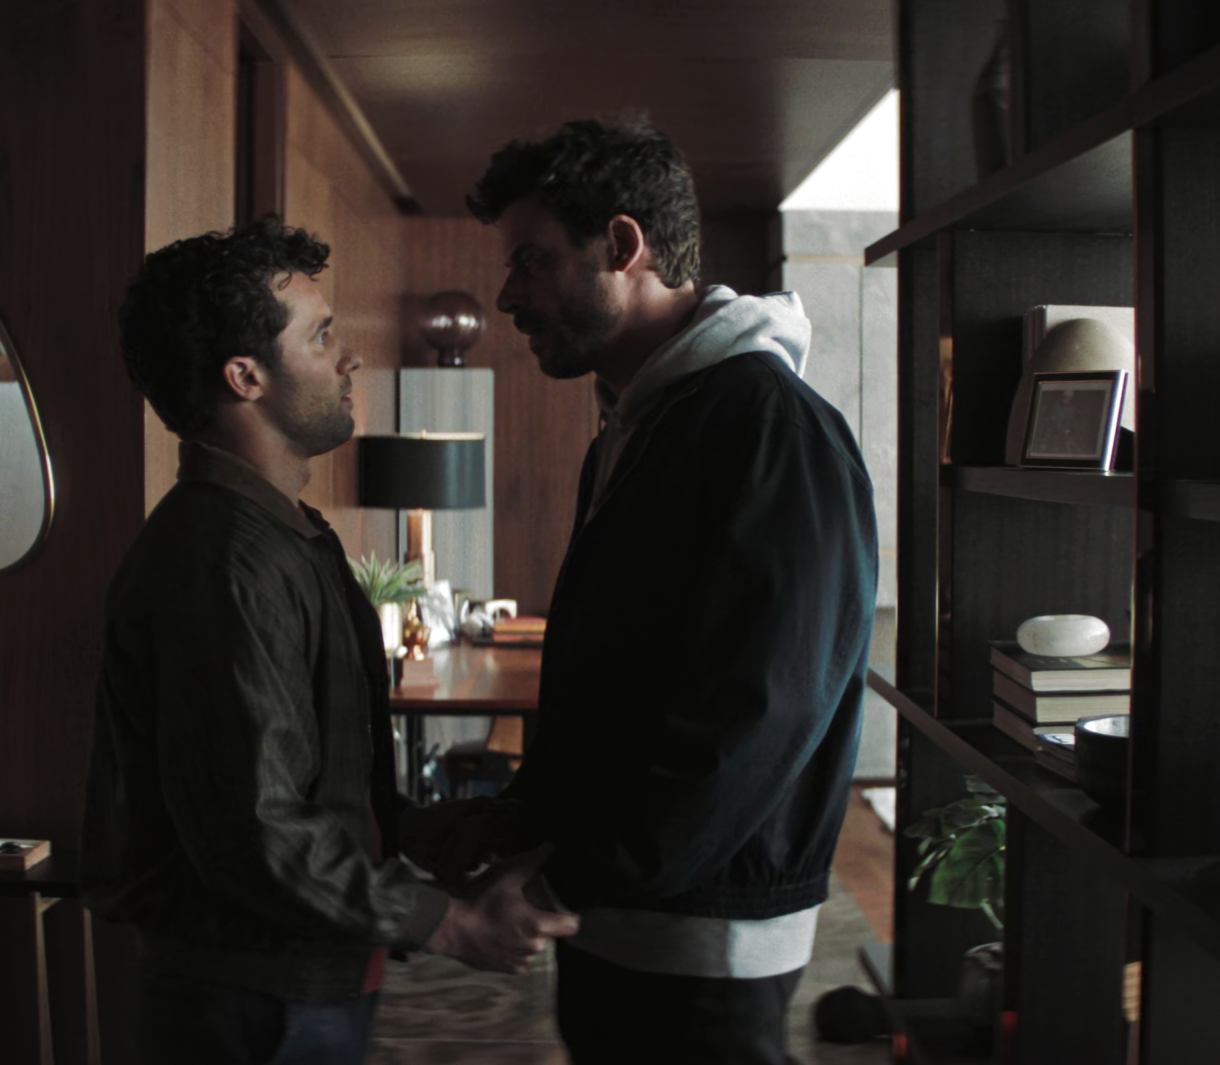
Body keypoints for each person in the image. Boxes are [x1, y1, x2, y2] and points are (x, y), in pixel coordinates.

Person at [81, 218, 579, 1065]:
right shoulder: (222, 564)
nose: (350, 358)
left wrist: (422, 830)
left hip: (295, 981)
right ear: (245, 376)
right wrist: (451, 923)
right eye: (320, 336)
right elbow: (258, 830)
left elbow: (298, 786)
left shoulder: (283, 536)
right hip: (253, 999)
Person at [459, 117, 878, 1063]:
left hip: (701, 932)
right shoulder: (641, 424)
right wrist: (532, 826)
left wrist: (563, 882)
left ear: (622, 245)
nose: (508, 293)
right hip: (624, 910)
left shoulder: (769, 427)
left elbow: (756, 711)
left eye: (531, 260)